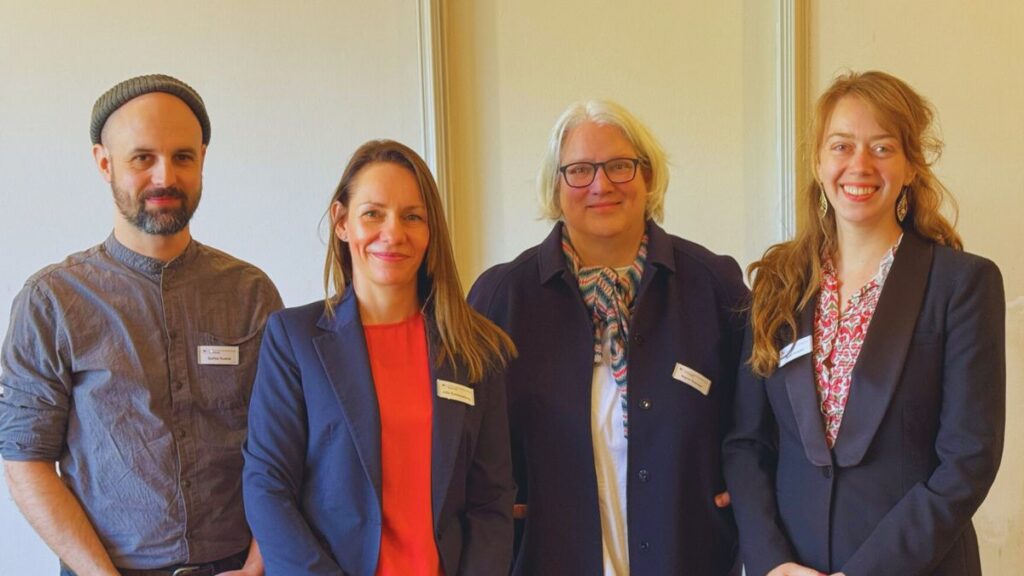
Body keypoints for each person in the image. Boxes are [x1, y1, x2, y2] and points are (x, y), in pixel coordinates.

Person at [723, 70, 1005, 576]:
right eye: (841, 146)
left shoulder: (962, 285)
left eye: (881, 147)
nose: (859, 165)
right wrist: (772, 561)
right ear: (817, 161)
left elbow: (968, 460)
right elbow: (747, 443)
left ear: (911, 166)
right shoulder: (778, 285)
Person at [0, 74, 282, 575]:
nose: (163, 177)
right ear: (104, 163)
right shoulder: (52, 302)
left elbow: (284, 443)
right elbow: (25, 460)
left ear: (202, 160)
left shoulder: (250, 294)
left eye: (182, 157)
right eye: (142, 158)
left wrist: (258, 567)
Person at [469, 100, 747, 575]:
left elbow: (759, 422)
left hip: (687, 557)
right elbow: (466, 440)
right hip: (546, 560)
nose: (601, 185)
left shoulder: (712, 285)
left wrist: (741, 486)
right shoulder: (501, 298)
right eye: (579, 170)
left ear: (648, 177)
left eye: (620, 166)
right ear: (555, 189)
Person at [243, 139, 516, 575]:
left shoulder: (475, 350)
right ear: (341, 222)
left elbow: (492, 501)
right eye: (373, 213)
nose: (393, 233)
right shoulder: (293, 340)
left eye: (412, 217)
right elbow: (267, 486)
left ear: (431, 232)